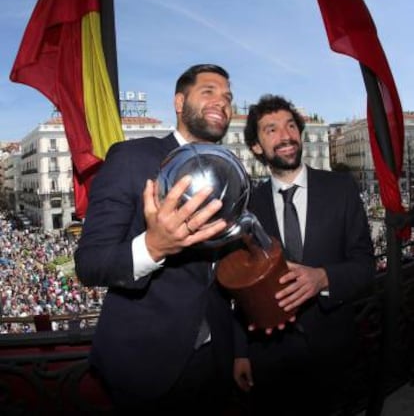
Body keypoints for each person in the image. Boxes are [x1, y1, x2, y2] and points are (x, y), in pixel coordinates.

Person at [75, 64, 236, 414]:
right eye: (208, 91)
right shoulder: (132, 158)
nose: (222, 103)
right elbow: (89, 263)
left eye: (227, 97)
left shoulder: (228, 173)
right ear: (179, 102)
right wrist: (153, 247)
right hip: (146, 367)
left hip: (217, 362)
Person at [233, 94, 376, 415]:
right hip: (268, 355)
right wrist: (240, 351)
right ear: (256, 147)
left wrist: (323, 277)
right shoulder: (248, 208)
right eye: (271, 130)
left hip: (334, 351)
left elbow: (366, 268)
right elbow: (239, 292)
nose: (285, 136)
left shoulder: (341, 188)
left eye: (290, 126)